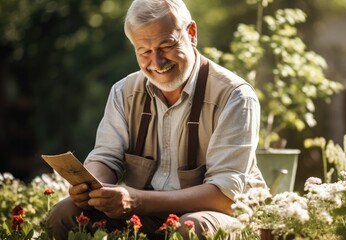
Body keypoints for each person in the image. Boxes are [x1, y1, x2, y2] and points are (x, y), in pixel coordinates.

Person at [46, 0, 266, 239]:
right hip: (143, 215)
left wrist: (137, 201)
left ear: (191, 33)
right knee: (64, 213)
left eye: (167, 45)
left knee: (190, 227)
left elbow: (224, 196)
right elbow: (106, 157)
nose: (157, 62)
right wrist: (92, 188)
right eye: (145, 51)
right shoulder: (124, 92)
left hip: (221, 216)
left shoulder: (234, 96)